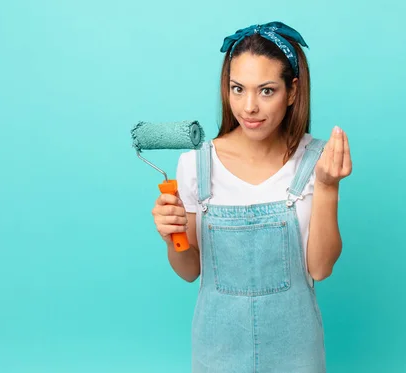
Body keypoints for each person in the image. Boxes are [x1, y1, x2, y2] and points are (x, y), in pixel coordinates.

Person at [151, 21, 352, 373]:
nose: (249, 107)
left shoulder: (316, 161)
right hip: (217, 352)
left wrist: (328, 187)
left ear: (292, 91)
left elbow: (320, 268)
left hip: (296, 355)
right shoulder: (197, 164)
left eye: (267, 91)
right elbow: (190, 271)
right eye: (238, 89)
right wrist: (172, 237)